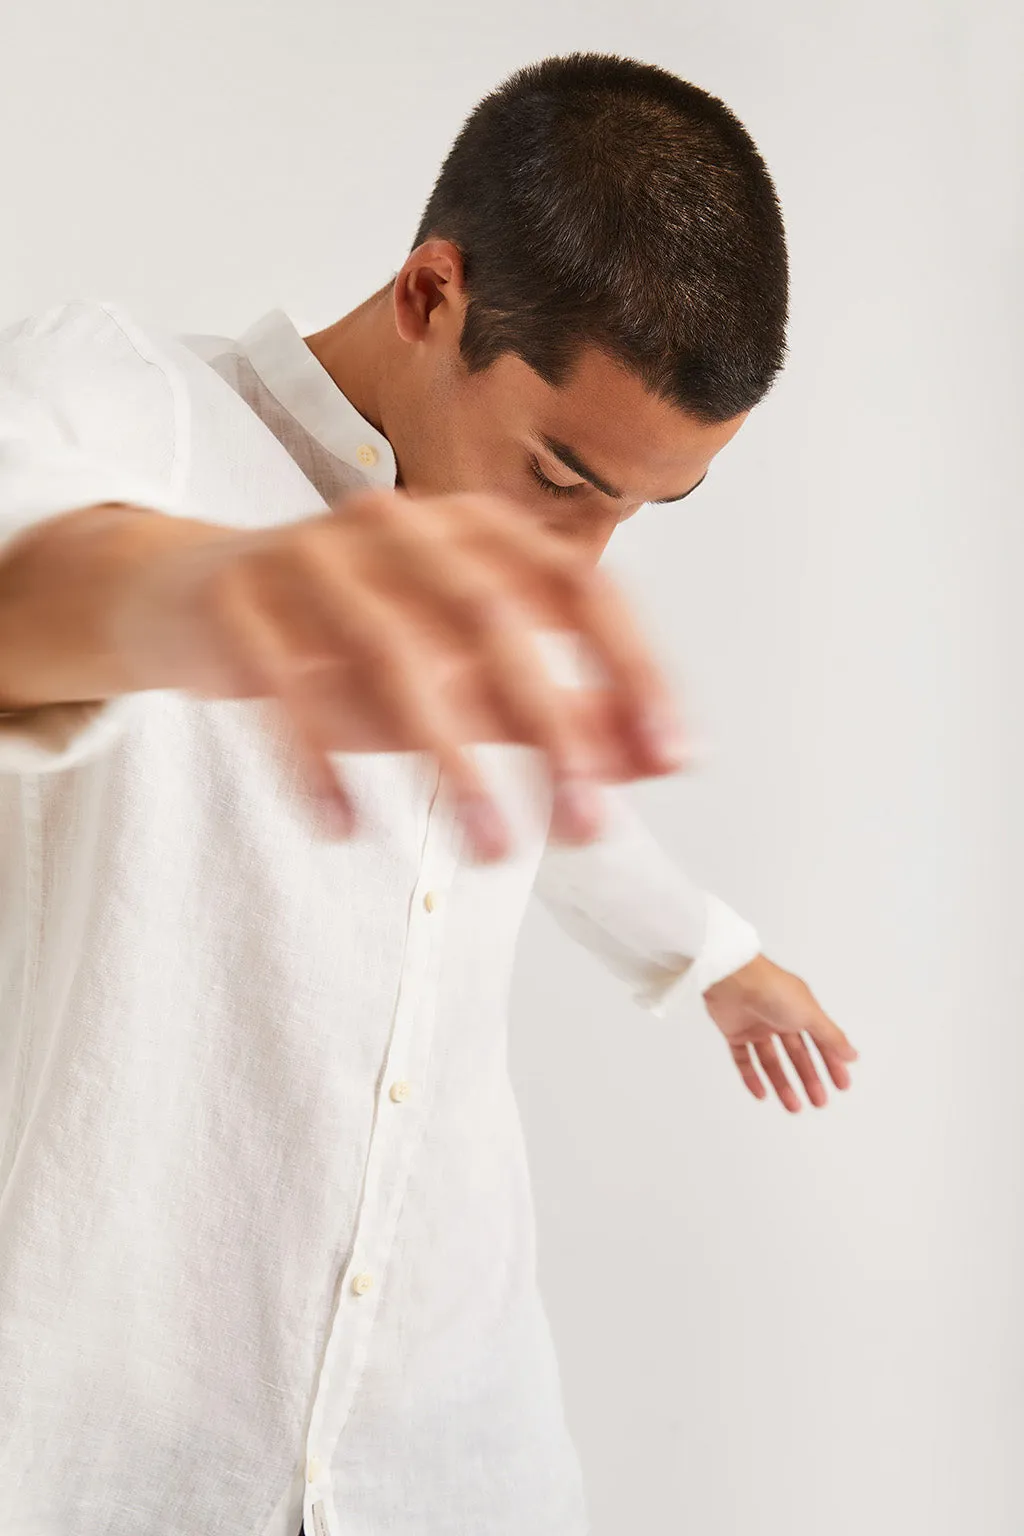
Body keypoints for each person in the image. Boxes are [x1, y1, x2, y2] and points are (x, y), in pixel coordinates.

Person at [0, 50, 857, 1536]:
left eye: (648, 511)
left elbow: (554, 800)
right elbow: (27, 584)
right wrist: (241, 592)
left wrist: (715, 954)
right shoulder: (125, 399)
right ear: (429, 295)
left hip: (455, 1439)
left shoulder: (507, 574)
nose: (576, 560)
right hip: (112, 1446)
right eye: (565, 477)